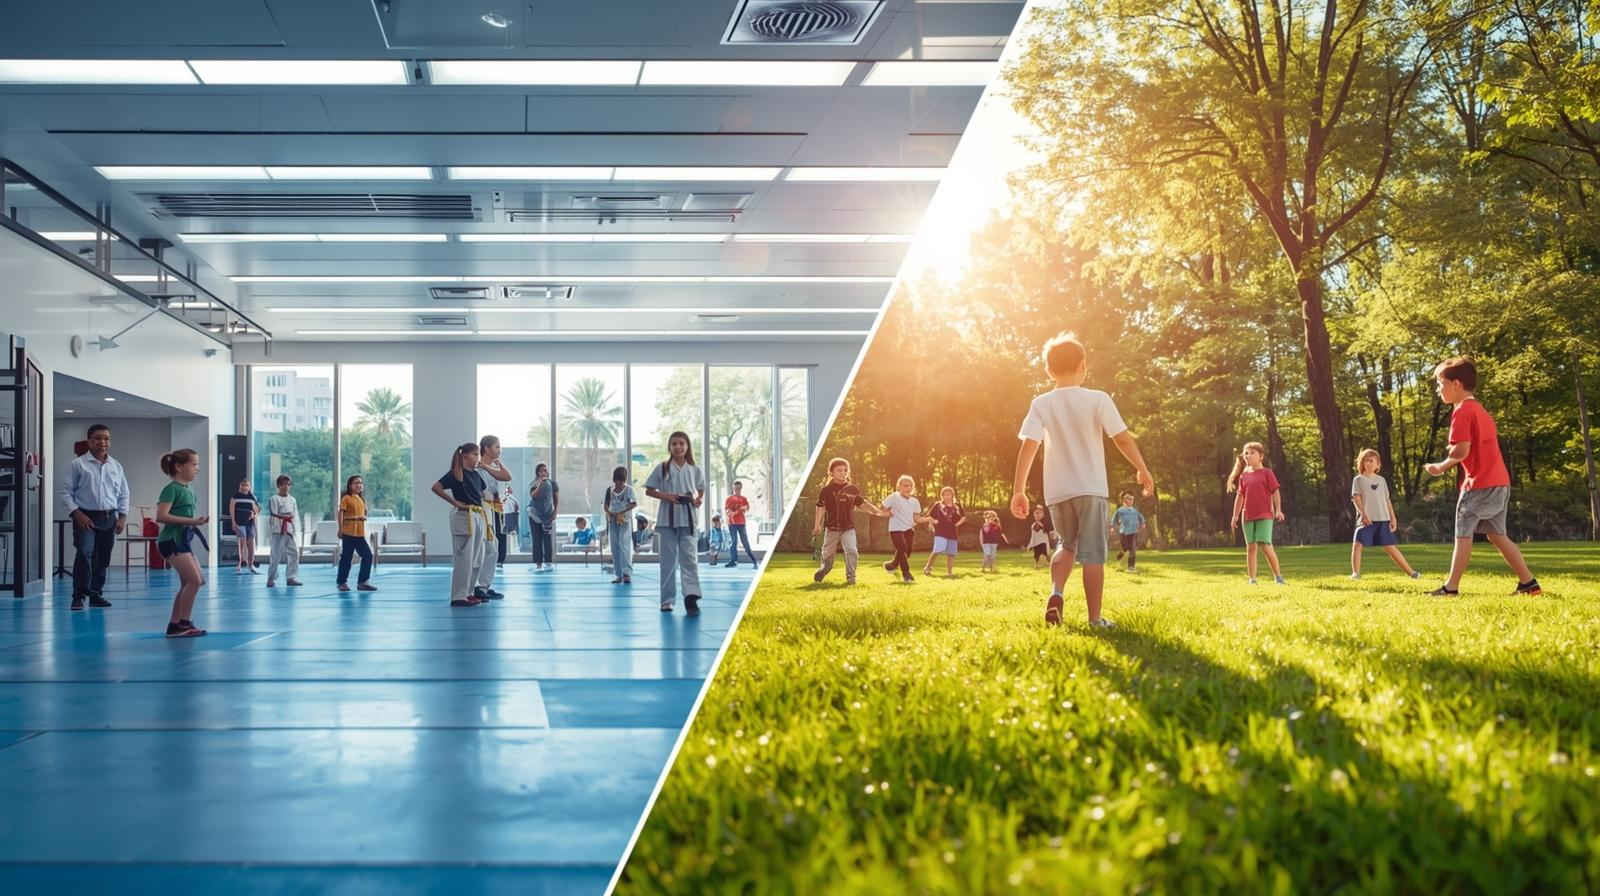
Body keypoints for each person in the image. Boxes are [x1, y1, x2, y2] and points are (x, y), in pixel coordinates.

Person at [1010, 331, 1154, 627]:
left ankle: (1056, 593)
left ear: (1048, 370)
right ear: (1083, 366)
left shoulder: (1041, 403)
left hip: (1057, 491)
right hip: (1090, 488)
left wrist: (1019, 490)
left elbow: (1029, 445)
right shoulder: (1097, 399)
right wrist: (1142, 468)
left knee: (1066, 544)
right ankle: (1094, 619)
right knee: (1093, 556)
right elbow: (1122, 439)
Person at [1424, 356, 1541, 596]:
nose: (1438, 389)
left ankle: (1451, 587)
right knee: (1497, 534)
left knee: (1463, 532)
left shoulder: (1462, 412)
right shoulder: (1480, 410)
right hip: (1500, 482)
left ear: (1456, 384)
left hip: (1478, 485)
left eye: (1440, 383)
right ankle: (1529, 584)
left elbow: (1461, 450)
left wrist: (1441, 466)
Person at [59, 423, 129, 611]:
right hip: (85, 518)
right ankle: (79, 596)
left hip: (109, 518)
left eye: (106, 438)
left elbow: (124, 493)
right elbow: (65, 493)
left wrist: (122, 517)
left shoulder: (116, 466)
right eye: (98, 438)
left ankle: (96, 594)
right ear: (89, 441)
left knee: (102, 558)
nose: (102, 442)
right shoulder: (77, 465)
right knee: (84, 553)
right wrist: (77, 513)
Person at [643, 431, 708, 615]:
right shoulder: (662, 467)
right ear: (669, 447)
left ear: (687, 446)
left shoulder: (695, 469)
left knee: (689, 560)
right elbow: (649, 490)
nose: (678, 447)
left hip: (688, 517)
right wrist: (667, 496)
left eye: (681, 443)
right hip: (667, 518)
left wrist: (698, 499)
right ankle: (667, 600)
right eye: (674, 444)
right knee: (668, 562)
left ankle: (691, 599)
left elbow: (701, 489)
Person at [155, 449, 208, 638]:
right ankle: (184, 624)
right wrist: (192, 522)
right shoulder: (171, 489)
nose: (197, 469)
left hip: (182, 541)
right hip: (171, 541)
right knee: (195, 581)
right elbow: (161, 516)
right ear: (179, 467)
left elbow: (183, 516)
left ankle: (174, 625)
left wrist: (194, 521)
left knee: (191, 582)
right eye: (194, 464)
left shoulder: (190, 490)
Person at [811, 458, 888, 584]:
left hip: (848, 528)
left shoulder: (851, 489)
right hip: (831, 529)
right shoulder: (826, 490)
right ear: (831, 472)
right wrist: (817, 525)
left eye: (845, 470)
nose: (843, 472)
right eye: (839, 470)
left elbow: (864, 504)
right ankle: (824, 570)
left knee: (852, 550)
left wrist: (879, 512)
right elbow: (820, 506)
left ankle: (851, 578)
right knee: (828, 556)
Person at [432, 442, 491, 607]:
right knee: (464, 557)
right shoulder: (456, 474)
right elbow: (436, 487)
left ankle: (469, 592)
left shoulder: (477, 475)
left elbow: (483, 495)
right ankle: (458, 595)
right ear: (464, 455)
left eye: (478, 454)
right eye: (475, 454)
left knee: (476, 558)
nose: (477, 458)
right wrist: (454, 501)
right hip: (464, 516)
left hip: (478, 515)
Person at [1350, 448, 1422, 580]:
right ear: (1362, 463)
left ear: (1378, 464)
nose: (1369, 463)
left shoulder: (1382, 480)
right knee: (1357, 544)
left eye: (1372, 461)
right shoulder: (1358, 480)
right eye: (1366, 460)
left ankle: (1412, 573)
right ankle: (1356, 574)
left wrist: (1393, 518)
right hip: (1367, 520)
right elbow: (1356, 499)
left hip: (1383, 519)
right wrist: (1364, 515)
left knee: (1390, 547)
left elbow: (1387, 500)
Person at [1228, 442, 1287, 585]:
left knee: (1265, 544)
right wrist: (1235, 516)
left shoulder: (1267, 473)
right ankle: (1252, 579)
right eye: (1246, 453)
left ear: (1261, 456)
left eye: (1252, 453)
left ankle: (1278, 577)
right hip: (1247, 516)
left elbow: (1275, 492)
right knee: (1251, 547)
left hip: (1265, 515)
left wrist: (1278, 509)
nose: (1248, 455)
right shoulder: (1243, 476)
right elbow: (1240, 496)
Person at [473, 435, 511, 601]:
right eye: (496, 446)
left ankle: (484, 585)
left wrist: (494, 463)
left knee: (493, 549)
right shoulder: (477, 470)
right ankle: (476, 586)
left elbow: (506, 476)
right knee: (485, 549)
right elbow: (483, 493)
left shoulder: (491, 468)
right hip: (482, 511)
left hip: (493, 510)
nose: (499, 449)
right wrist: (485, 465)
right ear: (486, 448)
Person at [880, 474, 930, 583]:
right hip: (895, 528)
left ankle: (891, 565)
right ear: (899, 487)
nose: (907, 488)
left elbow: (916, 518)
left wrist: (929, 519)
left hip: (909, 528)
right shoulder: (894, 497)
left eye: (910, 486)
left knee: (908, 551)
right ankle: (906, 574)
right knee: (902, 548)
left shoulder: (914, 501)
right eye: (905, 485)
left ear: (912, 487)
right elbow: (883, 507)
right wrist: (887, 512)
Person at [335, 475, 377, 593]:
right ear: (350, 485)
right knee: (346, 558)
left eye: (360, 483)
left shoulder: (361, 499)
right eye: (356, 483)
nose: (359, 485)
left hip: (359, 533)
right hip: (348, 532)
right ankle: (341, 582)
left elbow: (363, 512)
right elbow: (341, 514)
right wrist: (340, 528)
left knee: (368, 555)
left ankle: (362, 582)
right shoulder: (346, 498)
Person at [265, 474, 303, 587]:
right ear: (278, 486)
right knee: (276, 555)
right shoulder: (273, 499)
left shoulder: (292, 500)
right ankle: (271, 578)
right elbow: (274, 513)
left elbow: (294, 515)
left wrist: (296, 529)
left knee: (294, 553)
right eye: (283, 484)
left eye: (288, 484)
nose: (286, 486)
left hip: (289, 530)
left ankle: (291, 577)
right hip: (277, 530)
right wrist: (286, 516)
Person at [603, 466, 637, 585]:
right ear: (614, 479)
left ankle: (627, 573)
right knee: (615, 547)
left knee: (624, 546)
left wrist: (622, 511)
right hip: (613, 521)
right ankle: (618, 574)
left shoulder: (629, 490)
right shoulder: (609, 490)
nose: (619, 483)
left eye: (622, 481)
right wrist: (610, 513)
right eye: (617, 480)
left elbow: (634, 503)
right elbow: (606, 506)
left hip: (625, 521)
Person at [921, 487, 966, 577]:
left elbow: (963, 517)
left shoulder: (957, 506)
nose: (947, 496)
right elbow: (930, 516)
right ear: (942, 495)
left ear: (952, 495)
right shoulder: (938, 505)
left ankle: (949, 573)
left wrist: (957, 524)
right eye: (944, 494)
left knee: (951, 553)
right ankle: (928, 567)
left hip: (952, 532)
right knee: (938, 549)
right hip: (940, 531)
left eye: (949, 494)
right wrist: (933, 522)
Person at [527, 463, 559, 571]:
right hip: (534, 513)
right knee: (536, 538)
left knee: (547, 538)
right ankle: (538, 563)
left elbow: (556, 498)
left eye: (545, 470)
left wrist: (555, 512)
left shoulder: (553, 483)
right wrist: (540, 484)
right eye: (541, 470)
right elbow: (533, 495)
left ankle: (548, 561)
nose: (543, 472)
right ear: (537, 473)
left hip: (548, 513)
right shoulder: (534, 483)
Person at [229, 478, 260, 574]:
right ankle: (239, 565)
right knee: (241, 543)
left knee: (251, 544)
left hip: (250, 523)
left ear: (249, 487)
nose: (244, 487)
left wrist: (253, 515)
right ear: (240, 486)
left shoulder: (252, 497)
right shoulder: (235, 496)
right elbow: (232, 509)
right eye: (243, 485)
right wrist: (233, 522)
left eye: (247, 485)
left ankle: (251, 566)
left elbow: (256, 510)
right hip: (239, 522)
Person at [1110, 492, 1147, 573]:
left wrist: (1143, 523)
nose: (1131, 500)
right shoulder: (1120, 510)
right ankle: (1118, 560)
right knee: (1124, 550)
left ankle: (1131, 567)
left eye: (1132, 499)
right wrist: (1112, 527)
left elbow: (1141, 518)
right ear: (1124, 500)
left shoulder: (1135, 511)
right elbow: (1114, 519)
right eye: (1129, 498)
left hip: (1133, 533)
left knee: (1132, 550)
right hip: (1124, 533)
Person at [723, 480, 756, 568]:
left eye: (739, 488)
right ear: (733, 488)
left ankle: (753, 560)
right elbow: (726, 509)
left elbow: (747, 507)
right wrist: (729, 513)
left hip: (741, 523)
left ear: (741, 488)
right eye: (735, 487)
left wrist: (743, 508)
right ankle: (733, 561)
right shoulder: (729, 499)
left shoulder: (743, 499)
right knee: (734, 541)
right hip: (732, 523)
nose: (737, 489)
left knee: (745, 542)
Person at [1027, 504, 1052, 570]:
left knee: (1046, 553)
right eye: (1037, 513)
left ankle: (1049, 563)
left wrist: (1051, 532)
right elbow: (1033, 535)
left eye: (1041, 513)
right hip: (1036, 543)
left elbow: (1047, 529)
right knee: (1036, 555)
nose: (1039, 514)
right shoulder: (1033, 525)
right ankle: (1037, 565)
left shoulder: (1045, 523)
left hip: (1043, 542)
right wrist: (1030, 544)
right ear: (1034, 515)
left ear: (1043, 514)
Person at [499, 486, 519, 565]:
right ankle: (500, 560)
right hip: (502, 517)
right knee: (501, 537)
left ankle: (500, 560)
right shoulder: (504, 497)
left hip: (507, 518)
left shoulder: (511, 499)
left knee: (503, 538)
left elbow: (516, 510)